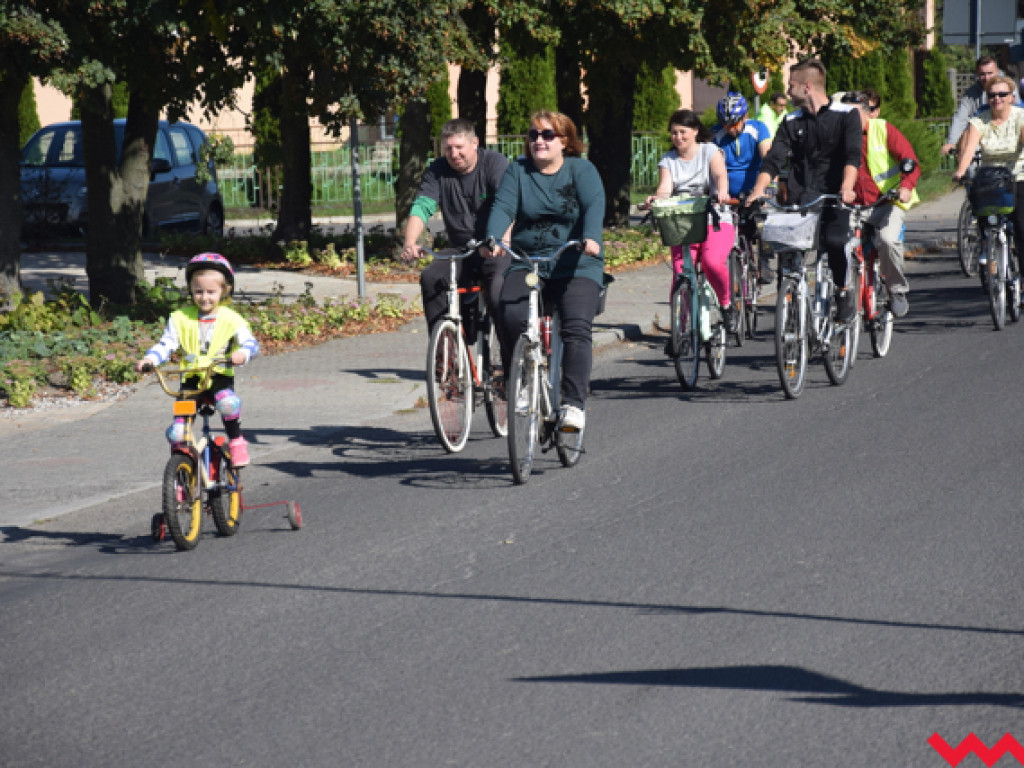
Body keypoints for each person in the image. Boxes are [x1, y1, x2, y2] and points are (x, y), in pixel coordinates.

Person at [485, 110, 605, 433]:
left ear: (564, 141)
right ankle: (522, 380)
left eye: (548, 135)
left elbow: (594, 205)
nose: (539, 141)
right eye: (534, 135)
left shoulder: (582, 170)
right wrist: (495, 238)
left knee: (577, 327)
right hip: (530, 260)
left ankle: (573, 405)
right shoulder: (518, 172)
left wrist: (591, 236)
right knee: (508, 311)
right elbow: (504, 208)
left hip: (576, 261)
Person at [745, 57, 862, 323]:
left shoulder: (846, 115)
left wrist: (846, 188)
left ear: (807, 87)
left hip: (833, 196)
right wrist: (758, 190)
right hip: (800, 198)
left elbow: (852, 156)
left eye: (791, 85)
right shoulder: (791, 120)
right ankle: (792, 305)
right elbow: (773, 159)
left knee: (835, 242)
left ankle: (843, 292)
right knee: (786, 250)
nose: (787, 91)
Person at [135, 253, 259, 467]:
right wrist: (150, 360)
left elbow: (251, 343)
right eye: (198, 291)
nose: (204, 297)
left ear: (224, 291)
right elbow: (166, 344)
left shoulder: (232, 319)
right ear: (191, 290)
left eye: (211, 292)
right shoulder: (180, 318)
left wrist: (243, 354)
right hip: (190, 379)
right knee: (177, 433)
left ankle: (237, 442)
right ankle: (181, 470)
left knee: (228, 403)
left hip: (218, 374)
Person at [401, 118, 511, 343]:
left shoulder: (494, 163)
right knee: (431, 277)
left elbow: (508, 205)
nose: (454, 154)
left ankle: (510, 363)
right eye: (448, 148)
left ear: (474, 143)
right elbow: (422, 206)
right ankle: (445, 352)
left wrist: (501, 240)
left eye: (459, 147)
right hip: (462, 249)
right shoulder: (438, 170)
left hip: (494, 247)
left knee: (498, 290)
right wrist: (410, 242)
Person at [646, 108, 735, 333]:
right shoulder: (669, 159)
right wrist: (657, 198)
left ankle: (726, 304)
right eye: (674, 133)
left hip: (715, 218)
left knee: (712, 262)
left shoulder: (710, 151)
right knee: (680, 273)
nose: (678, 137)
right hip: (683, 223)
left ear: (695, 131)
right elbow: (666, 187)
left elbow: (719, 175)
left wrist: (722, 193)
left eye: (683, 132)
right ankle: (680, 330)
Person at [842, 91, 921, 319]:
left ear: (868, 115)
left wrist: (905, 188)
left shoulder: (882, 129)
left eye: (853, 113)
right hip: (852, 206)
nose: (848, 119)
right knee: (838, 244)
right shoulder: (838, 136)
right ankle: (842, 293)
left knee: (887, 240)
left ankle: (896, 290)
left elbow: (910, 162)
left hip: (887, 201)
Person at [952, 74, 1024, 261]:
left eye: (1002, 94)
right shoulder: (979, 120)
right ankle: (986, 244)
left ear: (1011, 98)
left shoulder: (1020, 117)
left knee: (1021, 226)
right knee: (983, 212)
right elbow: (969, 149)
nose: (997, 99)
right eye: (992, 95)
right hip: (991, 177)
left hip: (1017, 175)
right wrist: (961, 171)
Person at [712, 92, 774, 283]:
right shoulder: (716, 134)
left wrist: (766, 185)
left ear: (745, 117)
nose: (730, 129)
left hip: (755, 189)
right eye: (726, 124)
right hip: (727, 192)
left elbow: (767, 153)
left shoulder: (758, 128)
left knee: (763, 225)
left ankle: (764, 262)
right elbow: (713, 162)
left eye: (735, 123)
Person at [942, 56, 1002, 156]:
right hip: (980, 140)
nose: (986, 78)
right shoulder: (971, 94)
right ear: (977, 74)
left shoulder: (1009, 89)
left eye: (990, 73)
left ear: (997, 72)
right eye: (982, 74)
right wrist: (951, 142)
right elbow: (961, 118)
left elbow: (1019, 114)